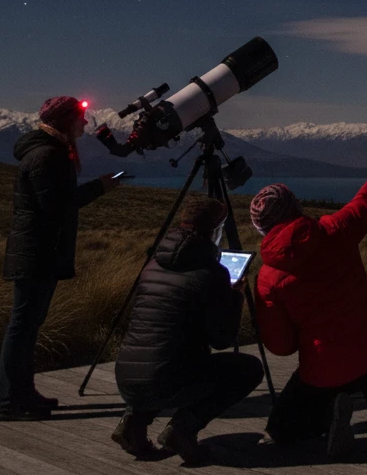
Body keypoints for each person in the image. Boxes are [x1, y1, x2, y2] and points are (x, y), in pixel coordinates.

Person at [252, 138, 367, 460]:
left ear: (262, 227)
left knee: (284, 424)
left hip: (325, 369)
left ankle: (329, 415)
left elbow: (281, 347)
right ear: (294, 206)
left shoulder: (268, 278)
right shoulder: (336, 229)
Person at [0, 95, 122, 421]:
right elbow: (57, 205)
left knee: (27, 327)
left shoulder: (49, 152)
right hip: (36, 253)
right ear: (66, 120)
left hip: (40, 252)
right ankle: (10, 403)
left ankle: (25, 395)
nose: (84, 123)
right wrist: (100, 187)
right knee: (22, 327)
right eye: (80, 118)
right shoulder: (47, 156)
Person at [112, 197, 264, 461]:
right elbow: (222, 339)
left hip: (126, 376)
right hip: (169, 380)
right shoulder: (211, 273)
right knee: (249, 369)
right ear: (216, 229)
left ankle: (133, 424)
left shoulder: (153, 265)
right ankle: (182, 429)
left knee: (157, 360)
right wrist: (235, 297)